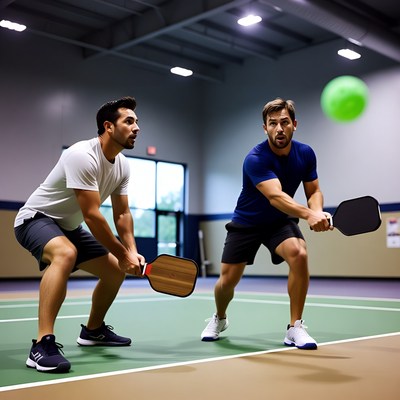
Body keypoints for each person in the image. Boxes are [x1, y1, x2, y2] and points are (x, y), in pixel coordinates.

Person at [14, 96, 145, 373]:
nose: (137, 127)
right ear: (108, 126)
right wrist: (123, 253)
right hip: (34, 219)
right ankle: (42, 344)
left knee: (114, 271)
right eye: (129, 121)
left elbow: (122, 214)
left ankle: (93, 331)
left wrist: (130, 251)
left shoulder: (122, 165)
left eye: (137, 122)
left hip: (68, 227)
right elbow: (93, 215)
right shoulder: (81, 154)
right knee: (65, 253)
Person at [200, 98, 332, 349]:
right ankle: (220, 317)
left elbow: (314, 190)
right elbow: (276, 197)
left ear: (294, 124)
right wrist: (308, 215)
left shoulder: (305, 153)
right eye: (273, 124)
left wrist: (318, 211)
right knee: (227, 282)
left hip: (279, 223)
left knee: (299, 253)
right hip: (246, 222)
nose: (279, 129)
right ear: (265, 128)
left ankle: (295, 327)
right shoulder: (255, 158)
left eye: (284, 122)